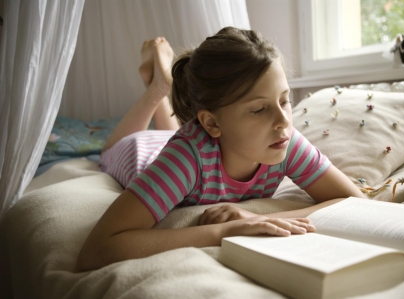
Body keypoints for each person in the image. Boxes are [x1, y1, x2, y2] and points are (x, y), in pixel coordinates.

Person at [76, 27, 366, 272]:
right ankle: (157, 89)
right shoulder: (184, 160)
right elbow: (97, 249)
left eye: (285, 100)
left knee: (172, 132)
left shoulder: (283, 139)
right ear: (212, 122)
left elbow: (355, 202)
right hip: (139, 152)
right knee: (112, 148)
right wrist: (225, 231)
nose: (283, 121)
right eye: (259, 109)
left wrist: (257, 219)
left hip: (192, 140)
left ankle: (164, 86)